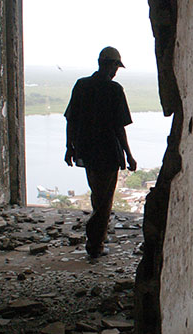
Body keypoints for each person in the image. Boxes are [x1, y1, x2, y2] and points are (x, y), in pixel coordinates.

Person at [64, 46, 137, 258]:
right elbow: (119, 127)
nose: (116, 72)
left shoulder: (81, 85)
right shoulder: (114, 90)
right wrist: (129, 155)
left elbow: (71, 120)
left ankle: (96, 240)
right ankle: (95, 245)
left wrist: (69, 147)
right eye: (116, 66)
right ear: (111, 65)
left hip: (86, 151)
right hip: (107, 152)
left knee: (98, 196)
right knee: (104, 203)